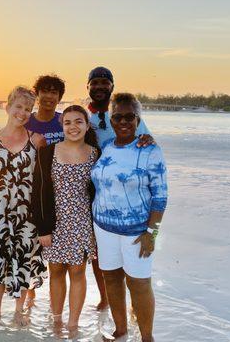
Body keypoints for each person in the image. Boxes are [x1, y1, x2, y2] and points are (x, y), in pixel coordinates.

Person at [91, 93, 168, 342]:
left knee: (139, 283)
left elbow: (160, 197)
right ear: (111, 120)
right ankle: (120, 331)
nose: (123, 121)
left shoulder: (150, 150)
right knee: (111, 279)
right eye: (118, 117)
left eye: (129, 117)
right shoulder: (106, 147)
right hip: (103, 228)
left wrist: (151, 233)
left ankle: (147, 338)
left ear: (138, 119)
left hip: (137, 232)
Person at [86, 66, 155, 311]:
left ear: (112, 86)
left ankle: (135, 304)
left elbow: (147, 144)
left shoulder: (124, 113)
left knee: (133, 259)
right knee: (100, 253)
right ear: (88, 88)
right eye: (95, 83)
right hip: (97, 192)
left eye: (105, 82)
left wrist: (148, 140)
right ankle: (106, 298)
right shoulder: (87, 118)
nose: (100, 87)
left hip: (129, 196)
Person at [0, 86, 47, 326]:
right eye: (18, 106)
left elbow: (41, 184)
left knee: (23, 262)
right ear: (7, 107)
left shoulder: (36, 141)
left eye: (28, 109)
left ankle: (18, 313)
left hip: (27, 216)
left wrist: (43, 220)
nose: (23, 112)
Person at [31, 105, 100, 336]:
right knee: (57, 271)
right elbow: (38, 191)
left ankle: (73, 323)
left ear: (87, 125)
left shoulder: (95, 154)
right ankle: (57, 320)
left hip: (82, 223)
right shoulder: (48, 152)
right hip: (54, 223)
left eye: (79, 122)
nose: (73, 127)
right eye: (68, 122)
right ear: (62, 126)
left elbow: (99, 192)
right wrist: (43, 228)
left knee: (78, 272)